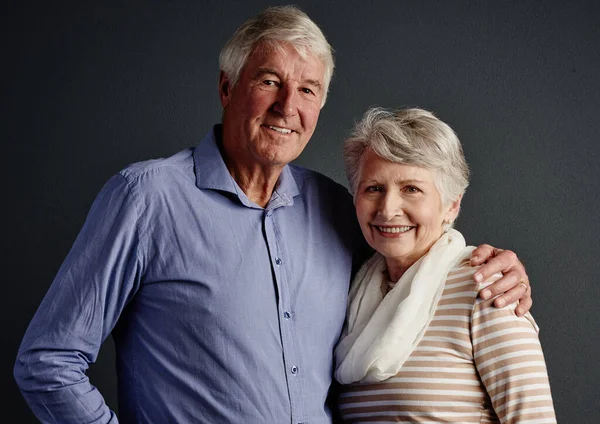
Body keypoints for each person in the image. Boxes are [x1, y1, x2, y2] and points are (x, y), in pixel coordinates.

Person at [14, 6, 532, 424]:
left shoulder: (335, 208)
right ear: (226, 88)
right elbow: (48, 362)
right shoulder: (147, 198)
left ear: (320, 106)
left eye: (308, 89)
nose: (288, 106)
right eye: (269, 81)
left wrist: (496, 265)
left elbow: (409, 250)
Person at [334, 107, 556, 423]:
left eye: (411, 189)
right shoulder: (355, 297)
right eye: (374, 188)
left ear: (452, 204)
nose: (388, 209)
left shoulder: (488, 291)